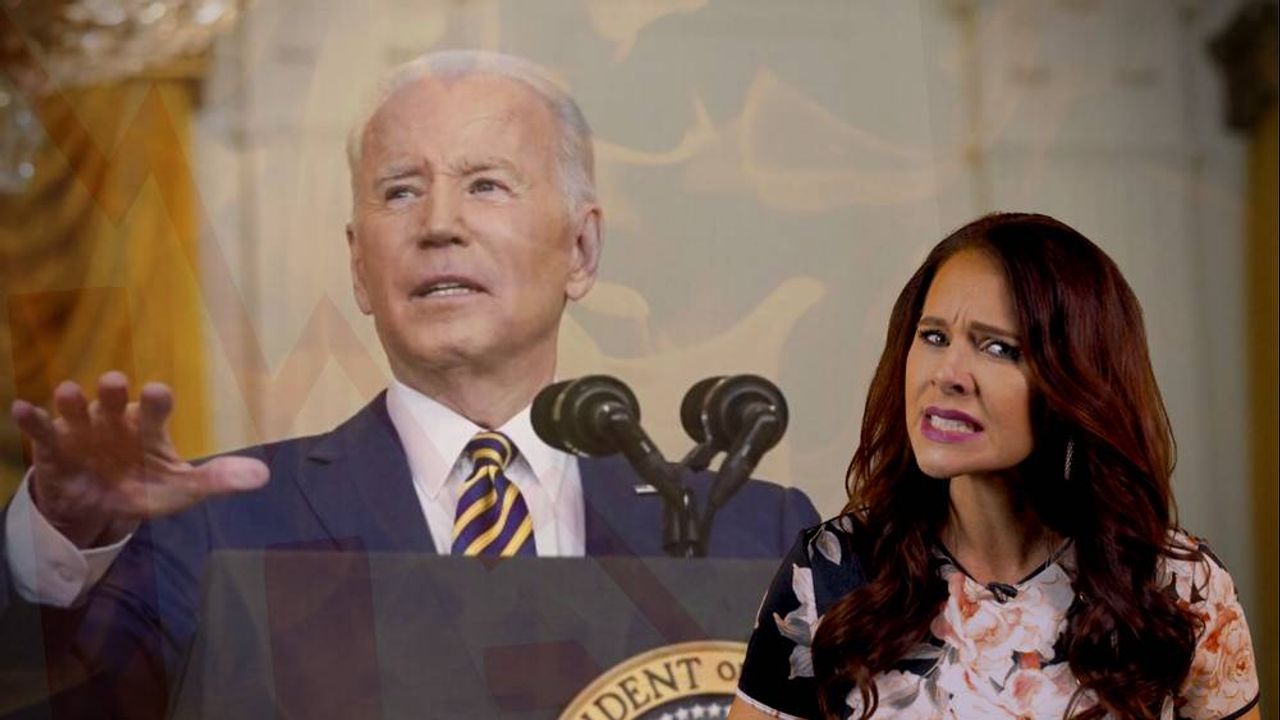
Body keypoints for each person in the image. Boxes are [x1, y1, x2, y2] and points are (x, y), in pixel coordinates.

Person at [0, 51, 819, 718]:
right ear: (360, 268)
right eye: (400, 191)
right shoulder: (219, 531)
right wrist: (57, 545)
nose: (438, 224)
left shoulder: (753, 536)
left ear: (581, 250)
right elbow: (56, 703)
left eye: (485, 184)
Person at [729, 213, 1259, 719]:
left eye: (999, 348)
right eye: (934, 337)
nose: (948, 373)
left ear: (1077, 378)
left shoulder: (1181, 588)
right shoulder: (829, 572)